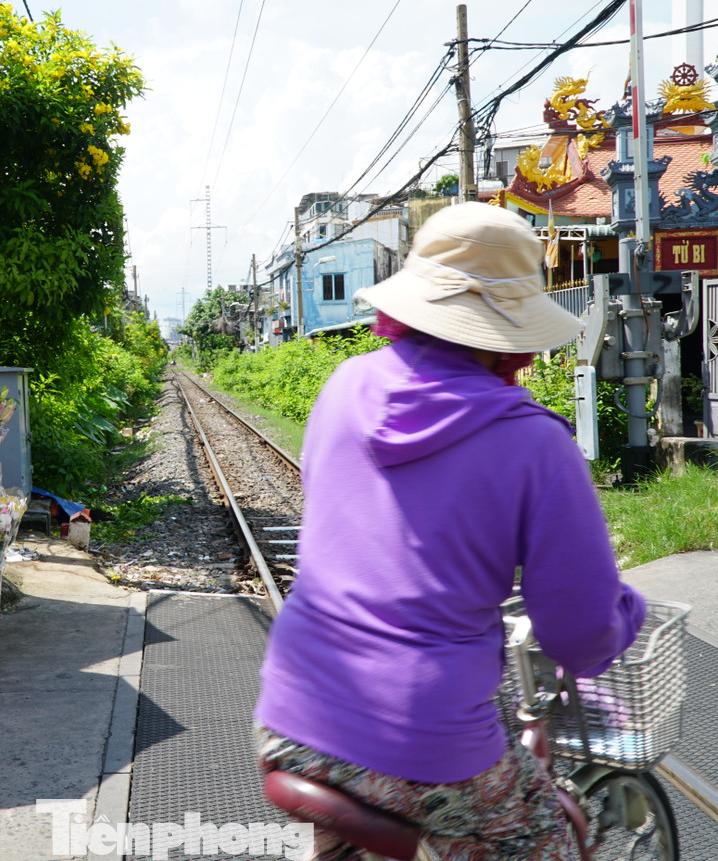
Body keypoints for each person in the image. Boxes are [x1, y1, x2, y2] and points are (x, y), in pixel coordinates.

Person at [255, 202, 646, 861]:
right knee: (552, 836)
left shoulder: (344, 384)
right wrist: (623, 618)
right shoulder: (534, 442)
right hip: (427, 737)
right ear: (514, 331)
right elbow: (578, 633)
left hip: (290, 716)